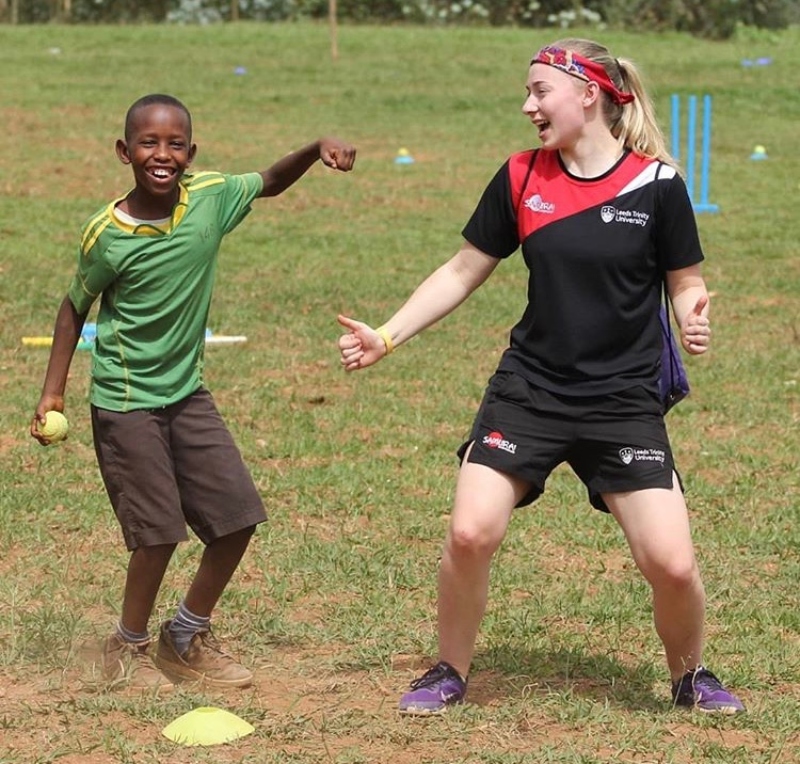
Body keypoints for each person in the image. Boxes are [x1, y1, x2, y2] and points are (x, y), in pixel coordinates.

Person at [337, 39, 744, 715]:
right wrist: (386, 335)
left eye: (539, 91)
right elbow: (464, 269)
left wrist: (692, 320)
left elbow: (686, 282)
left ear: (589, 94)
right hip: (531, 389)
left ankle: (690, 677)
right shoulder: (522, 177)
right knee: (470, 533)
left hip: (622, 397)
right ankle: (449, 669)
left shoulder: (658, 185)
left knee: (671, 565)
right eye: (527, 93)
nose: (528, 106)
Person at [31, 93, 356, 691]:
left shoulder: (209, 197)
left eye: (175, 143)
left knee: (236, 520)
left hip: (187, 396)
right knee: (157, 534)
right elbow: (74, 307)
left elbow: (269, 182)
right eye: (150, 144)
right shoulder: (108, 235)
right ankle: (126, 645)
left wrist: (314, 149)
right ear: (125, 152)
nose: (163, 155)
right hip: (126, 402)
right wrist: (52, 393)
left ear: (191, 151)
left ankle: (183, 637)